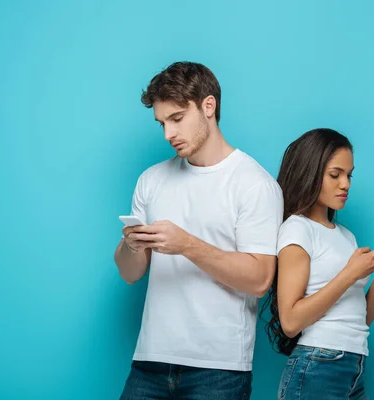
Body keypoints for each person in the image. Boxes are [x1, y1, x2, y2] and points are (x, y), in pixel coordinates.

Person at [115, 61, 283, 399]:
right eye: (162, 123)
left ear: (209, 106)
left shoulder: (254, 184)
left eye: (176, 119)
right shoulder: (151, 180)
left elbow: (261, 279)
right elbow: (130, 273)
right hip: (150, 359)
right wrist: (132, 246)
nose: (168, 134)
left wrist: (187, 245)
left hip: (218, 369)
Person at [262, 128, 374, 400]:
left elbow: (360, 319)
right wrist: (350, 274)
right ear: (311, 172)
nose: (346, 184)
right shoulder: (297, 229)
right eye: (335, 175)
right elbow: (290, 322)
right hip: (318, 366)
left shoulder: (346, 236)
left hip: (354, 365)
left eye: (349, 175)